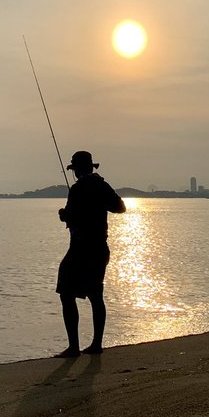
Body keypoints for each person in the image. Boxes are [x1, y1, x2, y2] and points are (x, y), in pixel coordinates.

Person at [54, 149, 126, 357]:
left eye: (75, 169)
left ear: (77, 169)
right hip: (99, 248)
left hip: (81, 248)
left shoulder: (77, 189)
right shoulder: (101, 185)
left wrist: (64, 214)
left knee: (66, 293)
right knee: (96, 295)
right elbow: (120, 207)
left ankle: (74, 347)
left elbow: (69, 214)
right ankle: (96, 344)